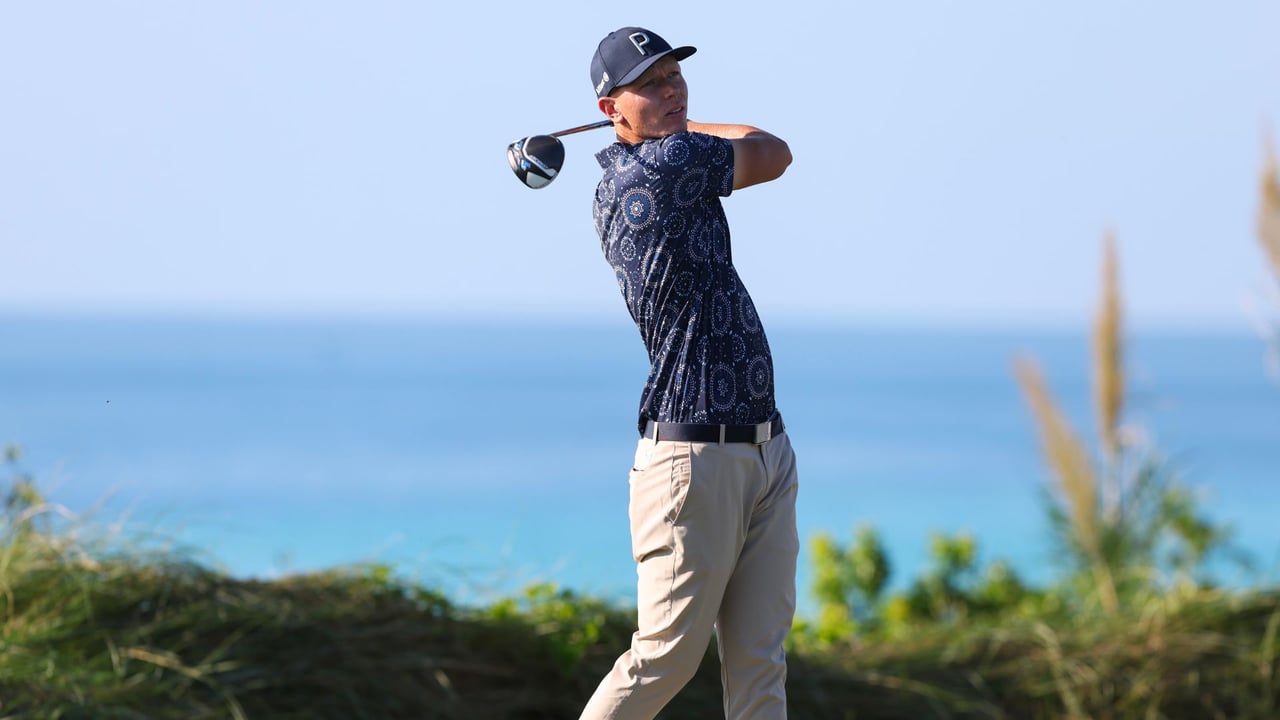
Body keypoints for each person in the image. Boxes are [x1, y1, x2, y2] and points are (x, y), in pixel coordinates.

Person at [580, 26, 799, 720]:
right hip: (693, 461)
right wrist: (681, 127)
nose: (671, 91)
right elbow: (773, 150)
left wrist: (664, 120)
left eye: (674, 77)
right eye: (652, 85)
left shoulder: (655, 158)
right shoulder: (664, 167)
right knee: (664, 659)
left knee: (761, 666)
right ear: (612, 106)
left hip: (763, 447)